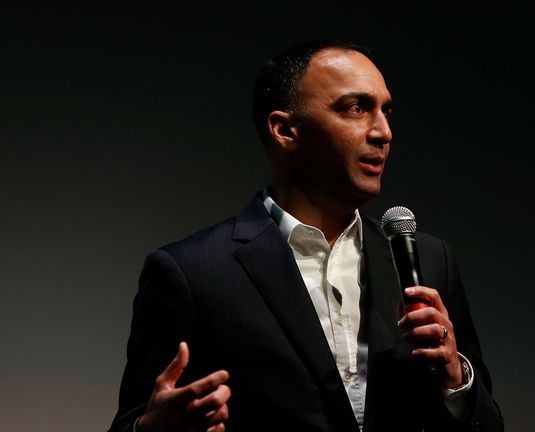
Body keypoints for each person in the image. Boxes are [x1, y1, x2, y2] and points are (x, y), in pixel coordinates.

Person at [109, 39, 504, 432]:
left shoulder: (430, 260)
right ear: (284, 130)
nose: (383, 132)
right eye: (356, 108)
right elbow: (132, 422)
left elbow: (488, 425)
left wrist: (456, 380)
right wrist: (149, 430)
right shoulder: (193, 273)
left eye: (386, 111)